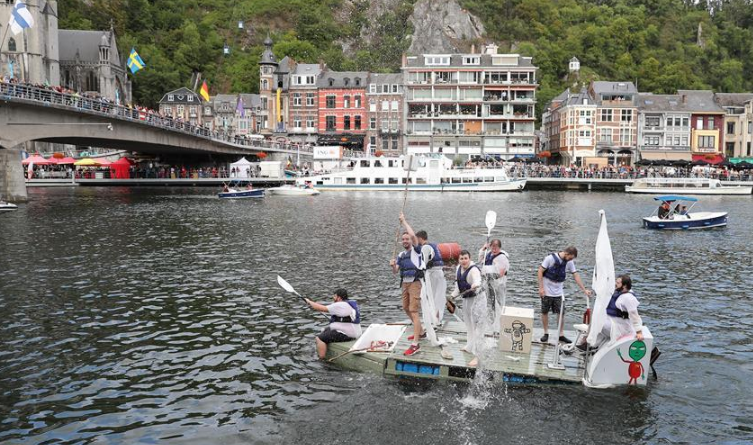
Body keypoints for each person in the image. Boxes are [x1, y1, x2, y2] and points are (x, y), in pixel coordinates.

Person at [400, 214, 448, 325]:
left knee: (430, 297)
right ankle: (437, 319)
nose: (415, 241)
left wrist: (404, 221)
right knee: (437, 298)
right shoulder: (434, 245)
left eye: (417, 239)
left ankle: (434, 321)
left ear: (420, 239)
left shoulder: (424, 247)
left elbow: (412, 236)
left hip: (432, 274)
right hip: (440, 273)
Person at [537, 247, 592, 344]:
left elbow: (575, 275)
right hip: (546, 290)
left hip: (559, 292)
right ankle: (546, 333)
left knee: (561, 313)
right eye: (571, 258)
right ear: (566, 253)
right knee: (545, 311)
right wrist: (541, 288)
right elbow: (540, 271)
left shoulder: (569, 262)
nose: (571, 260)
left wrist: (584, 290)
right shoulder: (550, 258)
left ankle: (561, 334)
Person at [577, 274, 643, 351]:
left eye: (618, 283)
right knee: (596, 319)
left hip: (621, 327)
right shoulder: (618, 291)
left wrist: (639, 332)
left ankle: (590, 344)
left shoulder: (628, 298)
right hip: (612, 321)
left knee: (599, 323)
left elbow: (634, 316)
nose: (615, 284)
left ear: (624, 286)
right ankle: (591, 344)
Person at [390, 215, 423, 356]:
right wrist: (393, 265)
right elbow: (395, 271)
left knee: (414, 311)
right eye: (403, 239)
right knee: (405, 308)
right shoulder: (401, 254)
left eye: (407, 239)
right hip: (405, 283)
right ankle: (420, 331)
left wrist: (403, 222)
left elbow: (413, 235)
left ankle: (416, 344)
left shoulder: (416, 250)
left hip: (415, 282)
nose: (405, 241)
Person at [305, 289, 362, 359]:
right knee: (325, 330)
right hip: (357, 332)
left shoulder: (339, 305)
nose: (333, 298)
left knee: (319, 338)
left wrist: (309, 301)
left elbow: (321, 308)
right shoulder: (350, 303)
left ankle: (321, 359)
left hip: (348, 335)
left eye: (335, 296)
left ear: (339, 297)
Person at [450, 250, 483, 366]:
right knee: (468, 324)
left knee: (476, 327)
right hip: (466, 299)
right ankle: (469, 346)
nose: (463, 261)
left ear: (469, 259)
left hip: (477, 299)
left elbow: (477, 280)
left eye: (465, 258)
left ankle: (478, 356)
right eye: (461, 259)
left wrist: (475, 285)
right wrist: (451, 296)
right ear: (458, 260)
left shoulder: (474, 270)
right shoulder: (458, 268)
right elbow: (458, 288)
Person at [478, 239, 510, 332]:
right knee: (489, 303)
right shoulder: (488, 254)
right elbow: (480, 261)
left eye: (496, 247)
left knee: (499, 303)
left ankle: (499, 325)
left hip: (498, 284)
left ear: (500, 247)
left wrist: (490, 276)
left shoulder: (502, 257)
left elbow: (501, 273)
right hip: (488, 283)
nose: (494, 249)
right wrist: (483, 249)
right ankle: (491, 324)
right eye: (492, 247)